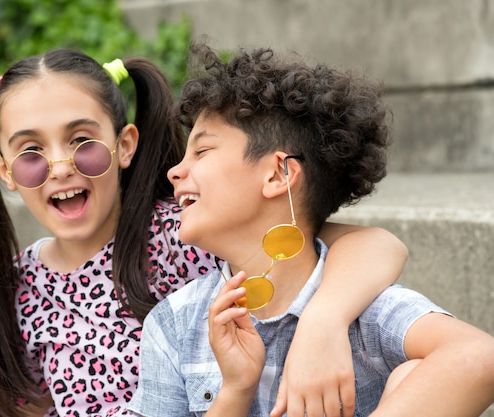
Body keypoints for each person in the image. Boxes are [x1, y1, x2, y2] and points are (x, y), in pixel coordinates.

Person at [0, 48, 408, 417]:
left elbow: (369, 244)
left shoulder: (183, 234)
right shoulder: (19, 283)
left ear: (124, 145)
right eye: (31, 151)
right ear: (4, 170)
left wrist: (322, 322)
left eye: (83, 142)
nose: (61, 167)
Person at [128, 43, 494, 417]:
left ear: (278, 174)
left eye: (202, 152)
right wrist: (234, 392)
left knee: (415, 374)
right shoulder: (176, 323)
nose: (175, 171)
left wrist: (321, 326)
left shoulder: (363, 309)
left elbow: (478, 356)